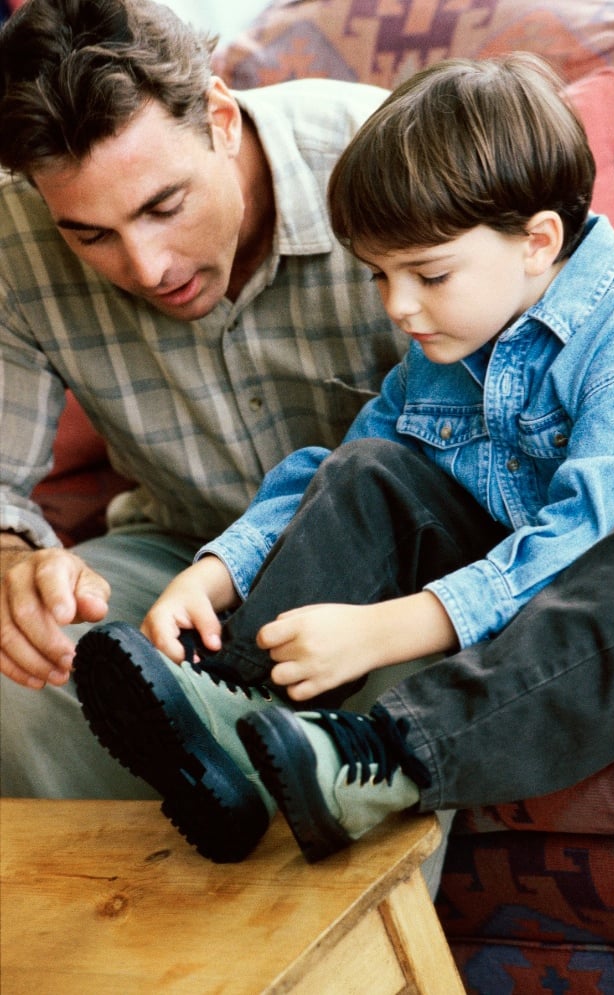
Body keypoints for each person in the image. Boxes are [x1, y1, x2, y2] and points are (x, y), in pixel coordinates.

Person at [71, 53, 614, 866]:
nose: (397, 305)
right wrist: (218, 572)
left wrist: (390, 628)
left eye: (426, 274)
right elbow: (351, 453)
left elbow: (586, 542)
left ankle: (384, 758)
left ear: (537, 242)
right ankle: (231, 711)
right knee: (372, 467)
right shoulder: (459, 328)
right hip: (517, 586)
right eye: (379, 276)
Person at [0, 0, 408, 799]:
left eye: (163, 206)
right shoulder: (13, 235)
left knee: (403, 673)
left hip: (400, 570)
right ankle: (127, 918)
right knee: (21, 671)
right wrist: (11, 565)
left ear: (220, 117)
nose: (146, 266)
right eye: (91, 234)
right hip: (178, 546)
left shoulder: (385, 162)